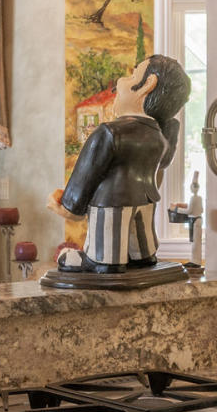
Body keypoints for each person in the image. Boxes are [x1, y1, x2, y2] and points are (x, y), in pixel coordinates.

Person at [53, 54, 188, 272]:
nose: (120, 82)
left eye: (133, 75)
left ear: (148, 84)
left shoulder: (109, 133)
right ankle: (143, 254)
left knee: (104, 256)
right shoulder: (160, 136)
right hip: (146, 200)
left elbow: (85, 175)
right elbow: (164, 161)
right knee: (142, 247)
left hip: (112, 203)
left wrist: (68, 205)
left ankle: (102, 259)